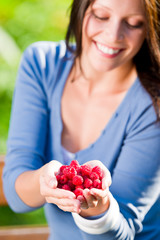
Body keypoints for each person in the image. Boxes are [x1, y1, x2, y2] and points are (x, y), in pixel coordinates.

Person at [3, 0, 160, 239]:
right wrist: (44, 181)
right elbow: (17, 197)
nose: (113, 35)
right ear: (80, 9)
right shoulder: (42, 65)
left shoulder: (153, 103)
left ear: (149, 30)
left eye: (133, 24)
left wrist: (99, 208)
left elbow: (125, 230)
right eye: (100, 15)